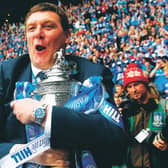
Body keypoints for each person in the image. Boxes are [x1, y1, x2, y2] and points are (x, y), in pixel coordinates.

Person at [0, 2, 127, 168]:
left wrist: (44, 115)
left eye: (48, 26)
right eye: (31, 28)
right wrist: (27, 153)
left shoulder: (93, 74)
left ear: (67, 36)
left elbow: (116, 139)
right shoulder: (6, 74)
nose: (38, 33)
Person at [119, 63, 168, 168]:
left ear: (145, 84)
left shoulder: (163, 106)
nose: (134, 90)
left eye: (136, 84)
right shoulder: (127, 111)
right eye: (129, 87)